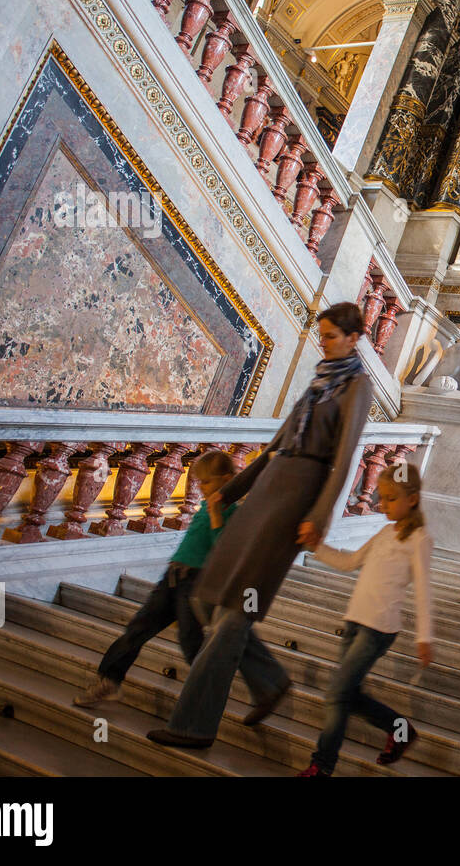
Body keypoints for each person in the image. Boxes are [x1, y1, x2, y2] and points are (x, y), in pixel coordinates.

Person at [147, 302, 374, 749]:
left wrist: (320, 514)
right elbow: (273, 447)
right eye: (321, 335)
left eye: (331, 336)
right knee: (207, 596)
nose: (323, 343)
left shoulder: (357, 386)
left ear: (354, 338)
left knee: (235, 614)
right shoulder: (319, 382)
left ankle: (192, 725)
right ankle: (269, 682)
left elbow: (345, 458)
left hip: (296, 501)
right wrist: (228, 493)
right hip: (266, 492)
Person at [72, 450, 238, 707]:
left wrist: (217, 517)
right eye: (200, 482)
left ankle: (208, 696)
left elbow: (225, 551)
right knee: (138, 628)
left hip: (196, 583)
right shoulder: (206, 504)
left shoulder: (231, 511)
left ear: (227, 479)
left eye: (207, 482)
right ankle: (109, 681)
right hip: (173, 577)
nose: (202, 488)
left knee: (191, 642)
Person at [299, 462, 434, 776]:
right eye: (382, 497)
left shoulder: (419, 540)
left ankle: (321, 766)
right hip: (354, 621)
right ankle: (400, 729)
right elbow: (350, 563)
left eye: (390, 498)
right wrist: (317, 546)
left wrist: (424, 637)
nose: (381, 504)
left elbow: (424, 590)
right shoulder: (385, 532)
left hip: (379, 628)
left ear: (412, 499)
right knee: (348, 694)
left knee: (336, 693)